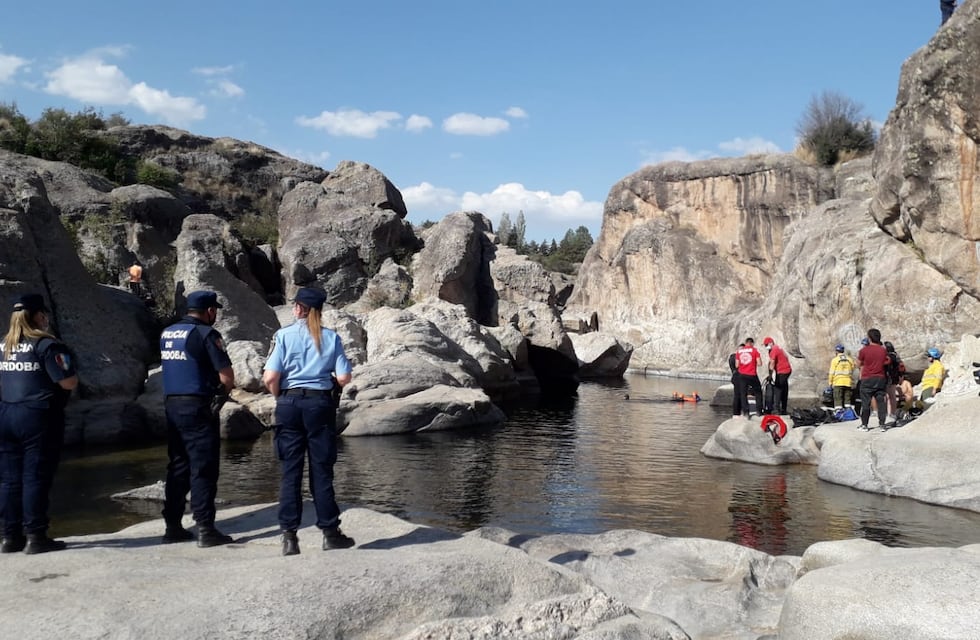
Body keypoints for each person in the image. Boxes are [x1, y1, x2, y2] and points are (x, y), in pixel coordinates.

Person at [263, 287, 354, 556]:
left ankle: (289, 537)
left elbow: (270, 377)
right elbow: (343, 378)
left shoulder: (283, 335)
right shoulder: (331, 337)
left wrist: (282, 398)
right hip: (319, 405)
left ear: (298, 309)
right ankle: (329, 533)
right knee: (321, 471)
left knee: (290, 472)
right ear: (318, 310)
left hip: (289, 404)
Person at [0, 293, 78, 554]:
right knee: (35, 476)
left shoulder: (4, 345)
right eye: (44, 313)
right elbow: (67, 381)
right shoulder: (47, 345)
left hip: (6, 413)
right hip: (37, 415)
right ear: (38, 315)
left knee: (10, 479)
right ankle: (36, 535)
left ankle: (10, 536)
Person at [160, 290, 235, 547]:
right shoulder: (206, 334)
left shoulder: (167, 333)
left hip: (172, 404)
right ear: (210, 311)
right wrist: (220, 399)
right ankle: (205, 528)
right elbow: (226, 376)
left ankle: (172, 525)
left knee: (178, 465)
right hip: (197, 404)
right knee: (203, 467)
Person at [857, 328, 889, 431]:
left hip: (867, 378)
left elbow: (858, 363)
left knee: (866, 403)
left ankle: (864, 425)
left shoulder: (864, 350)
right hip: (880, 378)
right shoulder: (883, 350)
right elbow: (886, 362)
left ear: (869, 338)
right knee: (881, 402)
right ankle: (882, 425)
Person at [735, 338, 764, 418]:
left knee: (743, 394)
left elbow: (737, 365)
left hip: (742, 375)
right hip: (752, 374)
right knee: (758, 393)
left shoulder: (739, 352)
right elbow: (759, 363)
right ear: (752, 343)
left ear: (746, 343)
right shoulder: (754, 351)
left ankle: (746, 412)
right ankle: (759, 411)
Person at [762, 337, 792, 414]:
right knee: (784, 389)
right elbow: (786, 356)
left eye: (766, 345)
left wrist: (770, 375)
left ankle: (776, 409)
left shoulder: (774, 350)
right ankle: (783, 408)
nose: (766, 346)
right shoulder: (778, 348)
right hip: (786, 370)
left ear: (771, 343)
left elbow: (772, 363)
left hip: (782, 371)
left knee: (777, 389)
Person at [828, 344, 856, 408]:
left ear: (836, 351)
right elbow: (852, 368)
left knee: (838, 399)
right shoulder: (850, 359)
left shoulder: (835, 360)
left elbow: (831, 372)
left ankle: (839, 413)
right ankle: (848, 413)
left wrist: (830, 382)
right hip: (848, 382)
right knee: (847, 400)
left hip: (838, 382)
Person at [883, 341, 905, 421]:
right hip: (894, 377)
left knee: (886, 396)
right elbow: (902, 367)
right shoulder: (896, 356)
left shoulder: (888, 356)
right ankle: (892, 413)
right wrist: (900, 376)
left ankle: (886, 413)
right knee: (892, 396)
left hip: (887, 377)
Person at [729, 343, 744, 419]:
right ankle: (736, 413)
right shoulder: (734, 357)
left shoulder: (733, 357)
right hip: (738, 377)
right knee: (738, 395)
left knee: (739, 395)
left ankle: (737, 413)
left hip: (737, 377)